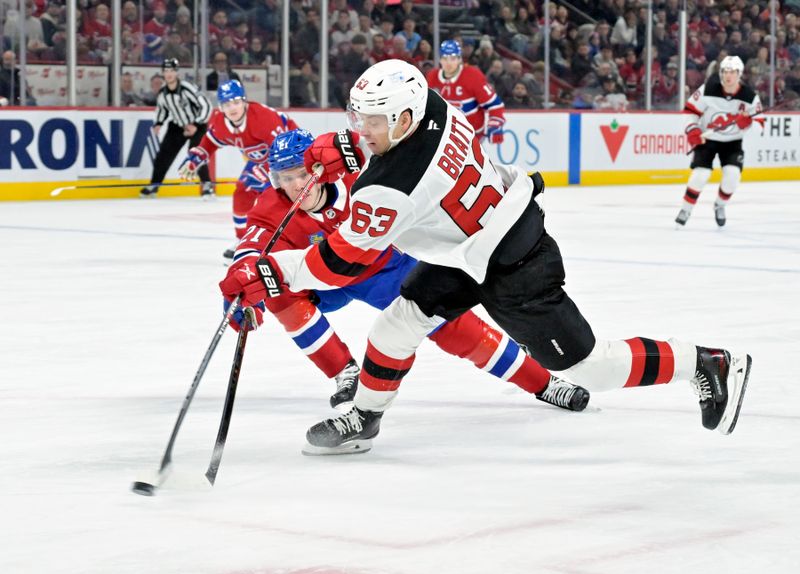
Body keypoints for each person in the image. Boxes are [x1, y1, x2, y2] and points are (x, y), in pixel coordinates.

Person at [230, 60, 752, 454]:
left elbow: (338, 264)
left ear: (403, 117)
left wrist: (272, 270)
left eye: (372, 121)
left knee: (593, 366)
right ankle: (365, 417)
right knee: (396, 326)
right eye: (357, 118)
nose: (363, 128)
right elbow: (392, 144)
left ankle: (706, 360)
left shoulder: (388, 189)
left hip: (510, 258)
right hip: (467, 243)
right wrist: (353, 142)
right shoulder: (432, 102)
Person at [218, 128, 590, 422]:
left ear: (319, 168)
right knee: (277, 291)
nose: (298, 185)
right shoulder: (270, 206)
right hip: (324, 281)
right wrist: (239, 293)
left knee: (456, 329)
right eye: (286, 177)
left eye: (303, 173)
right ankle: (345, 372)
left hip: (383, 269)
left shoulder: (356, 176)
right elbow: (249, 254)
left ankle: (543, 383)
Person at [178, 79, 298, 260]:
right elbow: (209, 143)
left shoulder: (263, 119)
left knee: (279, 195)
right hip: (264, 159)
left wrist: (268, 170)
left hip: (292, 153)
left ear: (244, 102)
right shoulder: (220, 122)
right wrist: (197, 158)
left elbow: (283, 149)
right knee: (242, 191)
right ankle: (243, 240)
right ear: (220, 107)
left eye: (236, 102)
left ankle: (294, 237)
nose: (232, 108)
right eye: (226, 104)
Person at [676, 55, 762, 228]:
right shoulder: (708, 89)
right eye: (725, 71)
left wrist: (747, 123)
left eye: (732, 72)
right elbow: (690, 111)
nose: (728, 75)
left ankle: (720, 205)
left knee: (732, 177)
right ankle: (686, 209)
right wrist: (692, 129)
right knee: (700, 175)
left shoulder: (750, 97)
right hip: (707, 139)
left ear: (740, 74)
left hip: (732, 142)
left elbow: (760, 126)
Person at [140, 59, 213, 199]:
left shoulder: (187, 88)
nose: (169, 74)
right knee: (164, 154)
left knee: (196, 153)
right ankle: (154, 184)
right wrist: (158, 124)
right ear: (162, 73)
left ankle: (207, 185)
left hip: (197, 124)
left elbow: (206, 105)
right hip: (178, 126)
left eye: (172, 71)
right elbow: (162, 110)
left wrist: (196, 125)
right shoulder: (163, 92)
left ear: (177, 72)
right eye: (166, 71)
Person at [426, 40, 506, 144]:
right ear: (440, 60)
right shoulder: (432, 77)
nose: (448, 63)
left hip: (472, 136)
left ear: (460, 59)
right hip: (443, 136)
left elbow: (494, 104)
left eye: (453, 58)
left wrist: (495, 124)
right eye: (445, 58)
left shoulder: (472, 75)